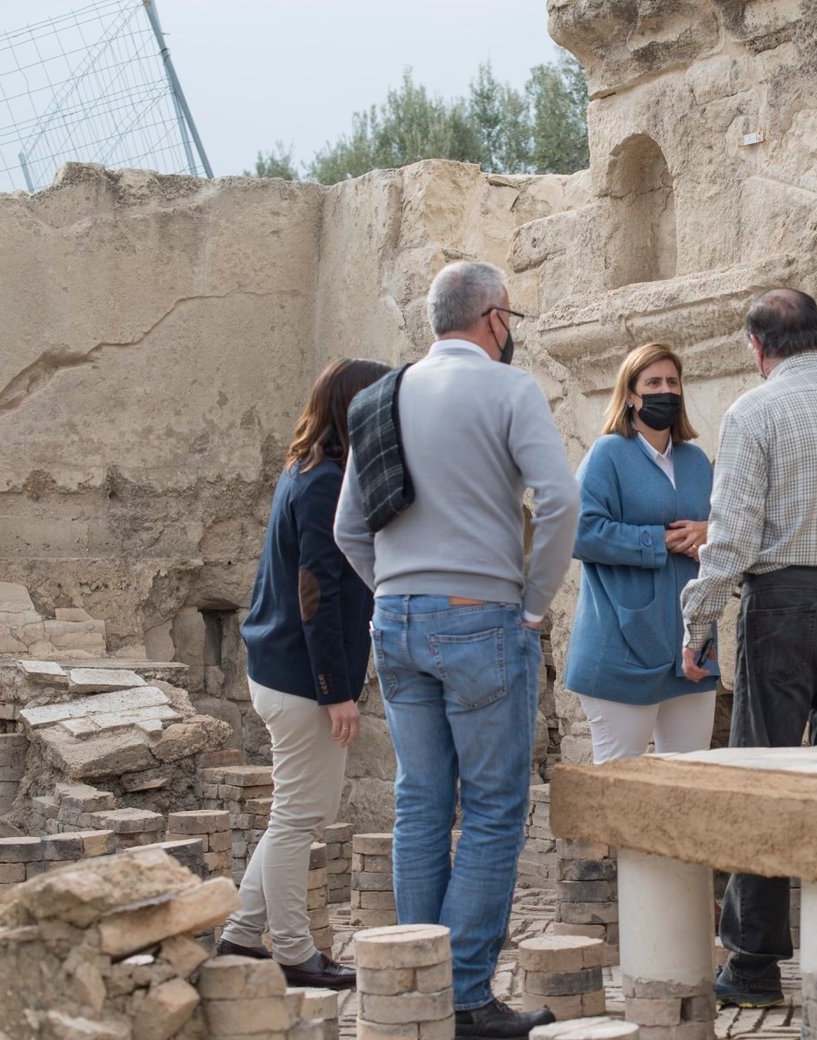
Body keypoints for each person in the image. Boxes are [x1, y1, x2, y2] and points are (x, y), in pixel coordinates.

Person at [334, 260, 579, 1040]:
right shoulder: (511, 391)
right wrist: (532, 606)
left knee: (420, 802)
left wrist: (396, 590)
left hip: (396, 621)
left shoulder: (379, 397)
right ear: (496, 319)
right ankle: (466, 996)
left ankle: (416, 986)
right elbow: (561, 498)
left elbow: (348, 528)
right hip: (481, 615)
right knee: (495, 808)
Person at [679, 288, 817, 1009]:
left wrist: (698, 620)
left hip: (786, 602)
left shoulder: (753, 410)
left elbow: (732, 532)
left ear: (756, 347)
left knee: (761, 775)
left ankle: (754, 963)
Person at [217, 357, 390, 990]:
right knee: (299, 818)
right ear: (353, 407)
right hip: (302, 676)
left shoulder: (309, 469)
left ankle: (239, 936)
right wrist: (336, 691)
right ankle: (294, 952)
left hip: (282, 669)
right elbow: (315, 590)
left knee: (292, 813)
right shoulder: (323, 482)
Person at [567, 342, 719, 763]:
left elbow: (726, 528)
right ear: (631, 395)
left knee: (687, 788)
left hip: (691, 649)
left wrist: (711, 532)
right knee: (617, 791)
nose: (664, 390)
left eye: (672, 381)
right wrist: (660, 540)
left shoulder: (696, 462)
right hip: (621, 647)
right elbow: (578, 531)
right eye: (652, 382)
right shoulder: (608, 454)